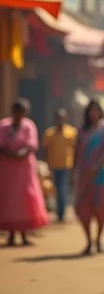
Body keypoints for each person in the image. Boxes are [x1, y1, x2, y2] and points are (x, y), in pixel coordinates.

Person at [0, 99, 49, 246]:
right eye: (18, 111)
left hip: (24, 169)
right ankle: (11, 234)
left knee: (25, 198)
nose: (20, 115)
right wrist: (10, 154)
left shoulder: (29, 125)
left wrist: (19, 154)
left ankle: (24, 234)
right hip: (7, 169)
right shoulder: (3, 126)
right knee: (9, 200)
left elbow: (31, 145)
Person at [74, 98, 104, 255]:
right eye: (91, 110)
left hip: (101, 173)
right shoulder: (82, 130)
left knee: (102, 207)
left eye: (97, 110)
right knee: (83, 209)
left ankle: (98, 240)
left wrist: (97, 166)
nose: (94, 113)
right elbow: (76, 152)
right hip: (84, 174)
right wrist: (74, 172)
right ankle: (88, 241)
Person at [43, 108, 77, 223]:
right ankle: (57, 211)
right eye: (58, 118)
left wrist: (75, 167)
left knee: (62, 189)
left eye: (62, 118)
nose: (60, 120)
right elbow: (45, 150)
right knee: (53, 190)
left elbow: (75, 150)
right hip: (53, 165)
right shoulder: (49, 133)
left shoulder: (71, 133)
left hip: (66, 166)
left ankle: (61, 213)